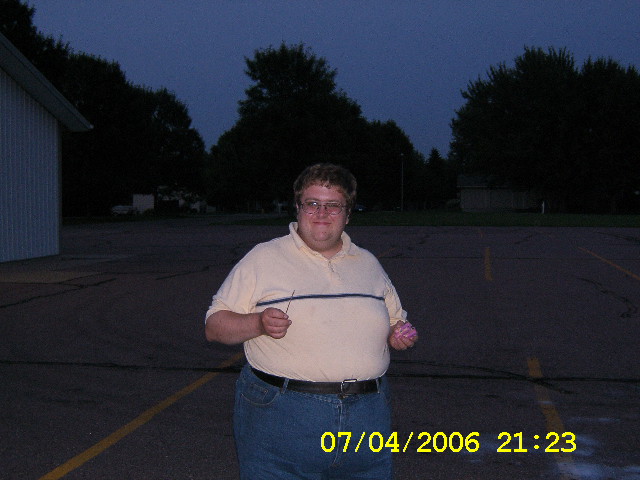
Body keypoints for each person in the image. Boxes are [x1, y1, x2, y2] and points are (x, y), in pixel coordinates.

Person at [205, 163, 418, 479]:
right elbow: (214, 326)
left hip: (367, 416)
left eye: (334, 205)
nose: (322, 213)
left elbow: (395, 323)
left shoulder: (369, 263)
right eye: (313, 203)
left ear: (348, 214)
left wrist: (399, 333)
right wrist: (258, 323)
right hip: (282, 414)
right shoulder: (263, 258)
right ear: (298, 207)